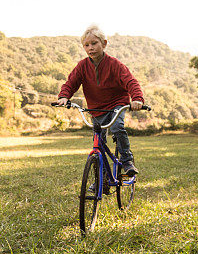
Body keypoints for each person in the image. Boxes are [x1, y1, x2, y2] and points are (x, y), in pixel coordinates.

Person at [57, 25, 144, 176]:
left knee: (117, 127)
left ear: (104, 44)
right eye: (86, 45)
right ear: (83, 47)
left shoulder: (115, 64)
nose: (91, 48)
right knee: (98, 141)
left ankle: (127, 160)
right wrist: (64, 96)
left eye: (94, 43)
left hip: (117, 104)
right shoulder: (82, 66)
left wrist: (136, 98)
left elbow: (131, 82)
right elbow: (71, 83)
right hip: (96, 108)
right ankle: (101, 179)